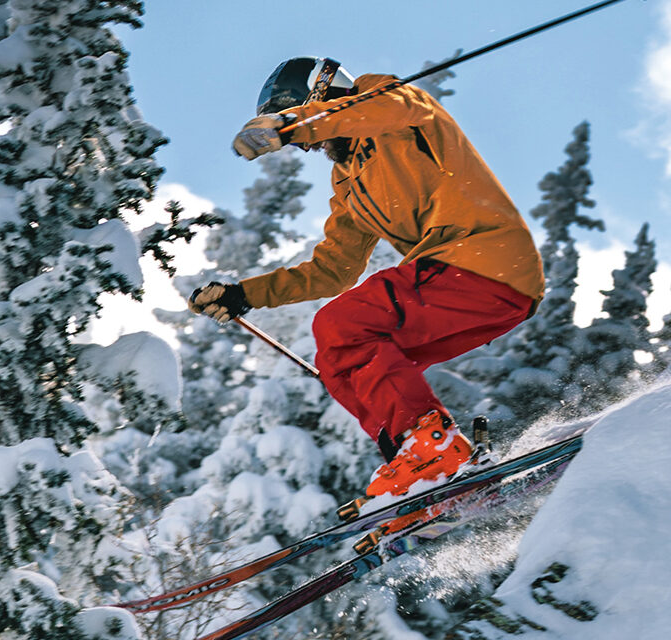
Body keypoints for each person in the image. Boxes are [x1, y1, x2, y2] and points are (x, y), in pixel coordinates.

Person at [190, 57, 545, 498]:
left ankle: (434, 448)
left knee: (343, 324)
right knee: (339, 362)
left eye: (302, 120)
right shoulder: (349, 182)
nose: (309, 147)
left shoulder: (392, 105)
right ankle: (421, 466)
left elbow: (385, 107)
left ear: (320, 96)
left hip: (483, 256)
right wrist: (244, 294)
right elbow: (332, 269)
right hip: (473, 292)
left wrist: (287, 124)